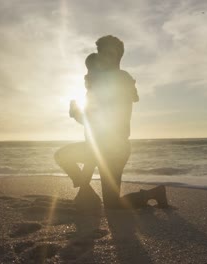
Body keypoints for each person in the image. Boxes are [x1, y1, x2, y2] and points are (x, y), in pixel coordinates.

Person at [55, 35, 168, 209]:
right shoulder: (100, 81)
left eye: (109, 54)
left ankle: (153, 193)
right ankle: (86, 192)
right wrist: (79, 113)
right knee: (62, 156)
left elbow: (103, 119)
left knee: (113, 205)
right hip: (98, 147)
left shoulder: (120, 79)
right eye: (101, 53)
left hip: (115, 149)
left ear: (118, 57)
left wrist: (78, 113)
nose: (104, 58)